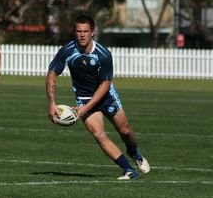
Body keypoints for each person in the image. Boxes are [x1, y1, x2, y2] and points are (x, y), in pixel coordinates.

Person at [46, 14, 150, 180]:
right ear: (74, 32)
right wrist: (51, 102)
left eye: (85, 31)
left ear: (92, 32)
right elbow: (52, 74)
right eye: (79, 31)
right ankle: (129, 170)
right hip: (83, 97)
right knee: (98, 133)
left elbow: (105, 85)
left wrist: (84, 110)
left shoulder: (103, 54)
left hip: (106, 95)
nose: (82, 35)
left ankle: (134, 153)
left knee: (124, 130)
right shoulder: (67, 51)